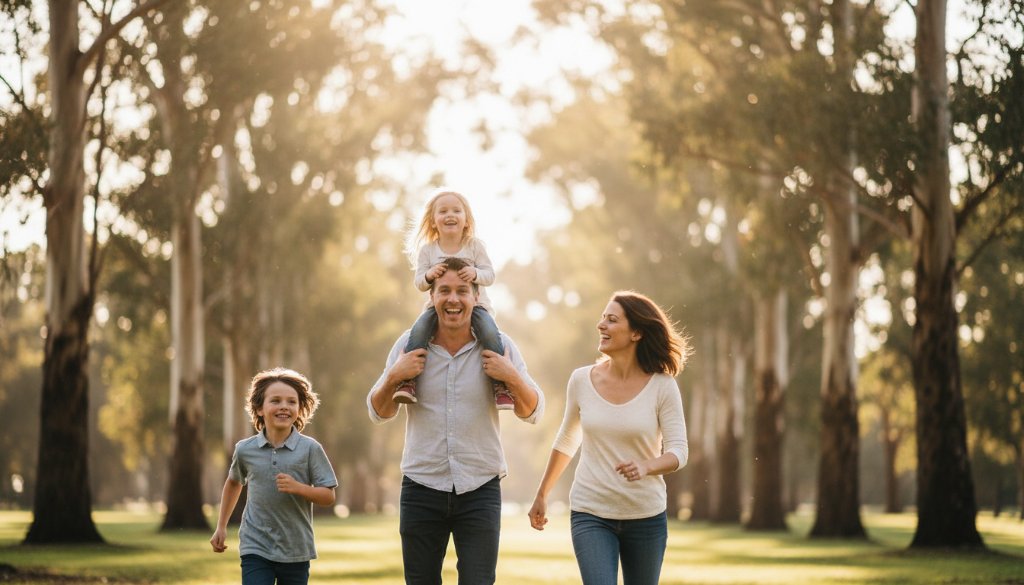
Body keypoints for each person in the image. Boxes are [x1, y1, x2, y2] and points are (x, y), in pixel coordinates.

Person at [367, 256, 545, 585]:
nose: (453, 299)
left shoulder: (500, 346)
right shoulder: (409, 346)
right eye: (444, 290)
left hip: (480, 488)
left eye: (462, 291)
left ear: (476, 298)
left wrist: (511, 377)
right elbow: (379, 412)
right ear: (431, 297)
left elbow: (532, 411)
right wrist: (394, 376)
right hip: (421, 487)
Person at [528, 291, 690, 585]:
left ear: (637, 333)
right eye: (602, 318)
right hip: (591, 512)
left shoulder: (662, 387)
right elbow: (567, 439)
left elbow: (679, 451)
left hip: (646, 515)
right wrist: (542, 494)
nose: (601, 325)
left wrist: (646, 466)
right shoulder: (581, 380)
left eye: (612, 320)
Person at [210, 367, 338, 585]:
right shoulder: (245, 449)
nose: (284, 407)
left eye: (291, 402)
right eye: (276, 401)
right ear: (259, 409)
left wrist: (299, 488)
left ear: (300, 408)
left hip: (296, 549)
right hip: (255, 546)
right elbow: (233, 483)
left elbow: (328, 496)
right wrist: (221, 526)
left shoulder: (310, 449)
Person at [393, 188, 515, 410]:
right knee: (418, 330)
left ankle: (500, 386)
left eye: (457, 210)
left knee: (489, 331)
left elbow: (490, 275)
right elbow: (420, 282)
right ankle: (408, 381)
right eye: (443, 211)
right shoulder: (428, 251)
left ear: (466, 220)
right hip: (436, 308)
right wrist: (430, 275)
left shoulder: (474, 246)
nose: (450, 214)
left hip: (476, 307)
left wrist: (475, 274)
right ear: (433, 221)